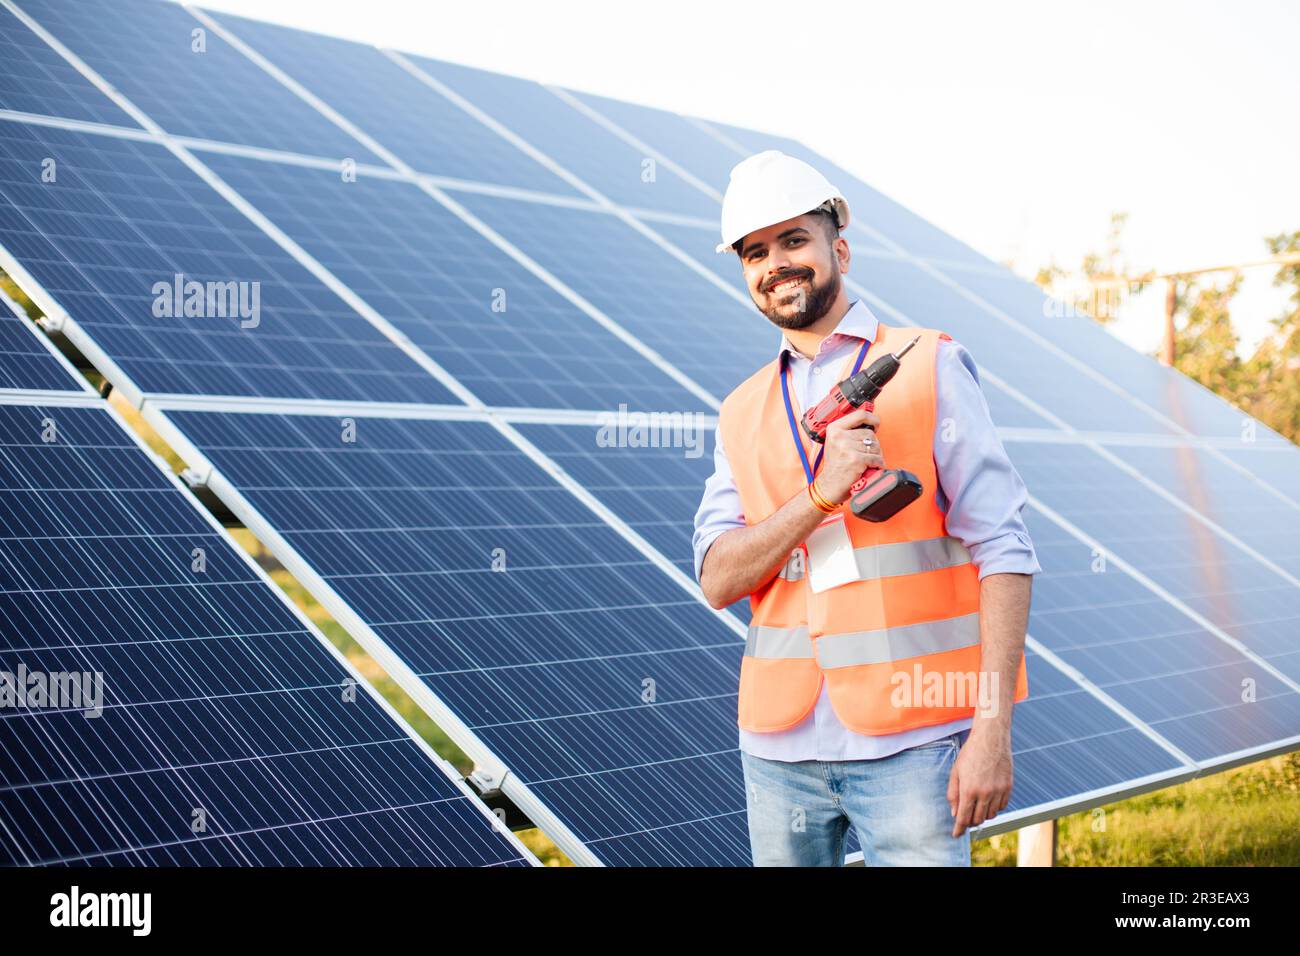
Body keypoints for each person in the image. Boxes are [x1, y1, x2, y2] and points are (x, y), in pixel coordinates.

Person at [693, 150, 1041, 866]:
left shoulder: (928, 364)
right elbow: (718, 578)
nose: (776, 264)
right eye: (755, 252)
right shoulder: (741, 411)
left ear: (838, 248)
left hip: (913, 747)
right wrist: (819, 497)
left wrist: (992, 731)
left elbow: (1005, 551)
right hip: (777, 750)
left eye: (795, 240)